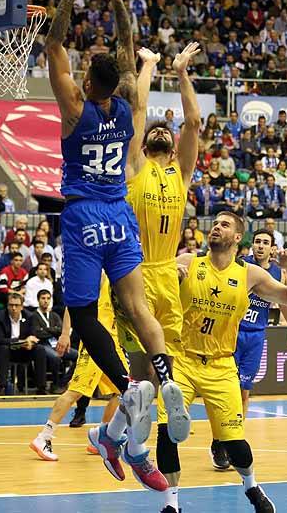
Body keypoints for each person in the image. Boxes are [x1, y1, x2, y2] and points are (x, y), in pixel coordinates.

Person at [45, 0, 186, 484]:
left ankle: (129, 386)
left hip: (83, 216)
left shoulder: (76, 109)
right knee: (135, 304)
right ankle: (166, 376)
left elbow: (54, 41)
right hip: (121, 214)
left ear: (86, 79)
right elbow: (128, 47)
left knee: (84, 318)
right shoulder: (126, 106)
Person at [157, 212, 287, 513]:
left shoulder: (250, 275)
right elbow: (154, 284)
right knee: (167, 431)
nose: (216, 227)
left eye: (225, 225)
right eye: (215, 223)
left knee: (235, 443)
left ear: (238, 238)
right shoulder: (188, 262)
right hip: (183, 361)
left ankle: (251, 486)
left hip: (222, 365)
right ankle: (171, 503)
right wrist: (171, 279)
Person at [115, 42, 201, 386]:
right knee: (142, 368)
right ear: (145, 144)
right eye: (155, 131)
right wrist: (148, 65)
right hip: (136, 272)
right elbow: (138, 109)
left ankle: (138, 433)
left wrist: (181, 72)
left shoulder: (181, 173)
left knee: (167, 365)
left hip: (167, 273)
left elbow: (193, 122)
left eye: (166, 129)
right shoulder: (136, 166)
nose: (161, 129)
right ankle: (122, 435)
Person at [210, 228, 287, 471]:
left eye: (265, 242)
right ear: (252, 246)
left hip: (256, 336)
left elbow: (284, 302)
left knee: (244, 392)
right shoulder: (241, 266)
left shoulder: (275, 272)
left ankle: (232, 438)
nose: (260, 245)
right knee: (224, 389)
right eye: (257, 241)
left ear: (272, 248)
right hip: (233, 333)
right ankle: (219, 440)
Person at [30, 275, 125, 463]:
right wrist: (65, 334)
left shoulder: (125, 274)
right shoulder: (100, 275)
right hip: (96, 343)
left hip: (115, 343)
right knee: (75, 392)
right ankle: (44, 437)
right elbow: (73, 303)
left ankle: (103, 438)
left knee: (125, 392)